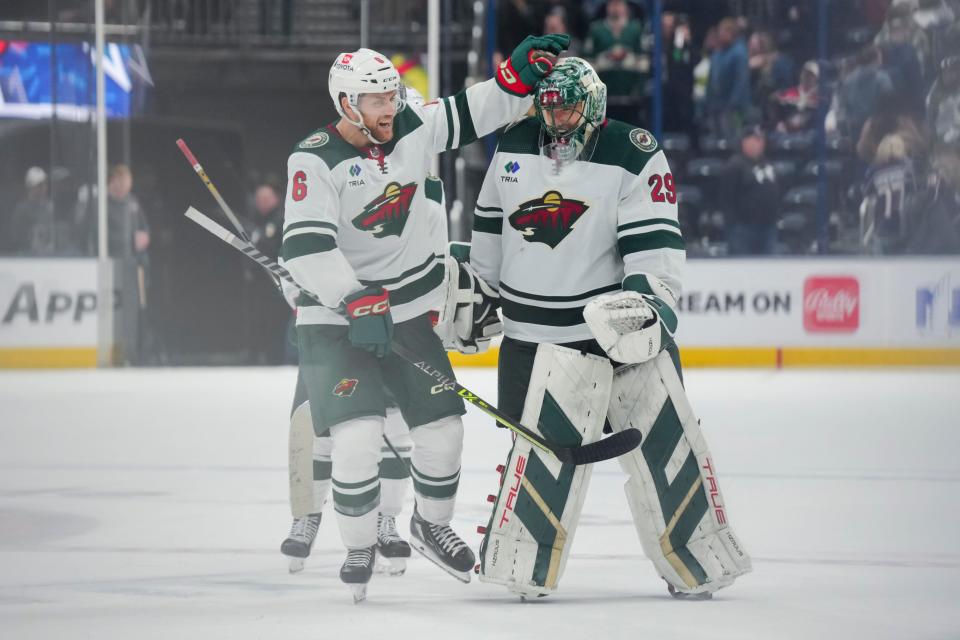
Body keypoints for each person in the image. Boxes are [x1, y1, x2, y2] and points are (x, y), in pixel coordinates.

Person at [279, 36, 570, 601]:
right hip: (336, 323)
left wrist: (513, 78)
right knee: (360, 438)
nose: (390, 107)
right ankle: (360, 544)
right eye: (376, 100)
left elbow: (470, 111)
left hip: (407, 314)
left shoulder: (411, 125)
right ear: (347, 104)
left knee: (443, 429)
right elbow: (308, 247)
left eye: (392, 95)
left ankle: (430, 523)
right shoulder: (312, 158)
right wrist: (352, 297)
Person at [452, 56, 750, 599]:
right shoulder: (514, 144)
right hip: (531, 342)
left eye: (567, 109)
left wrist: (648, 305)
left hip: (609, 338)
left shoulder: (631, 151)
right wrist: (481, 292)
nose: (557, 120)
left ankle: (699, 558)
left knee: (666, 449)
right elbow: (490, 228)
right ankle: (526, 568)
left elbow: (655, 248)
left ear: (593, 106)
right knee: (538, 462)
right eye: (548, 107)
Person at [584, 0, 645, 124]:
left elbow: (644, 62)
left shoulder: (636, 28)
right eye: (612, 3)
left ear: (626, 6)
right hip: (604, 100)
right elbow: (587, 63)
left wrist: (638, 89)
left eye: (619, 3)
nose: (615, 7)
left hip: (630, 99)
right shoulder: (596, 29)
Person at [722, 127, 781, 255]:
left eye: (761, 140)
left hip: (768, 227)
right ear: (745, 141)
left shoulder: (767, 163)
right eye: (755, 140)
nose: (759, 143)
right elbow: (726, 198)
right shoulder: (735, 165)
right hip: (743, 229)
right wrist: (733, 226)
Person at [705, 17, 751, 139]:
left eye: (722, 32)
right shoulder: (718, 52)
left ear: (731, 33)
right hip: (716, 104)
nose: (720, 35)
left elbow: (741, 80)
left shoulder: (739, 52)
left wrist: (733, 103)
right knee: (715, 137)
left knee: (731, 138)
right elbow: (711, 78)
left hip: (732, 106)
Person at [7, 167, 56, 255]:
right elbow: (16, 236)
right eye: (39, 185)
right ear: (30, 186)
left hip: (49, 254)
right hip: (27, 255)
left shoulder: (50, 206)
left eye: (45, 184)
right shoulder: (21, 209)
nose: (44, 188)